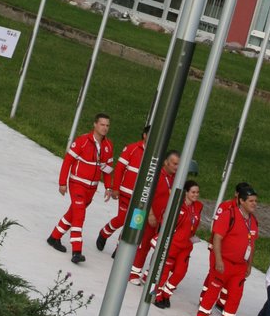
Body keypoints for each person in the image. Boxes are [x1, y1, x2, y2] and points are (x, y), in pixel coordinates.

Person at [194, 183, 259, 316]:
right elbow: (217, 237)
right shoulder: (228, 214)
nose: (254, 204)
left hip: (240, 267)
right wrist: (218, 260)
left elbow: (252, 244)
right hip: (225, 263)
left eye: (255, 201)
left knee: (235, 297)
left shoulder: (253, 221)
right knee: (212, 292)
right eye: (251, 201)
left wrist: (249, 265)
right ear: (241, 201)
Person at [47, 113, 113, 264]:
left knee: (73, 213)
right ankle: (77, 251)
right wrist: (62, 183)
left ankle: (54, 237)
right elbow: (68, 161)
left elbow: (107, 169)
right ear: (95, 125)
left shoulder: (108, 146)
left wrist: (108, 187)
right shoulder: (82, 141)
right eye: (102, 124)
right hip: (77, 184)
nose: (105, 128)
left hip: (91, 189)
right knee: (79, 216)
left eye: (107, 125)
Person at [129, 149, 180, 283]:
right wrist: (150, 214)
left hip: (163, 220)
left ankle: (148, 275)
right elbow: (146, 195)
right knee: (143, 244)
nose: (176, 167)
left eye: (178, 164)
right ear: (165, 162)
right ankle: (133, 273)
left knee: (159, 248)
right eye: (174, 164)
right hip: (149, 216)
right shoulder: (155, 176)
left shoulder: (176, 179)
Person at [96, 125, 148, 252]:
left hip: (143, 197)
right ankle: (104, 233)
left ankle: (120, 249)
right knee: (123, 218)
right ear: (145, 135)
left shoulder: (157, 156)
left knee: (135, 223)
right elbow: (119, 169)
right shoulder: (132, 148)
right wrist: (116, 188)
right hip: (126, 193)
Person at [153, 179, 203, 308]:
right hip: (172, 244)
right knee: (163, 272)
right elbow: (165, 222)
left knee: (180, 272)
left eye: (197, 192)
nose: (196, 195)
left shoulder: (198, 206)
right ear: (186, 192)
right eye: (193, 192)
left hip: (186, 246)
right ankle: (157, 296)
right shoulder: (176, 205)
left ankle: (166, 293)